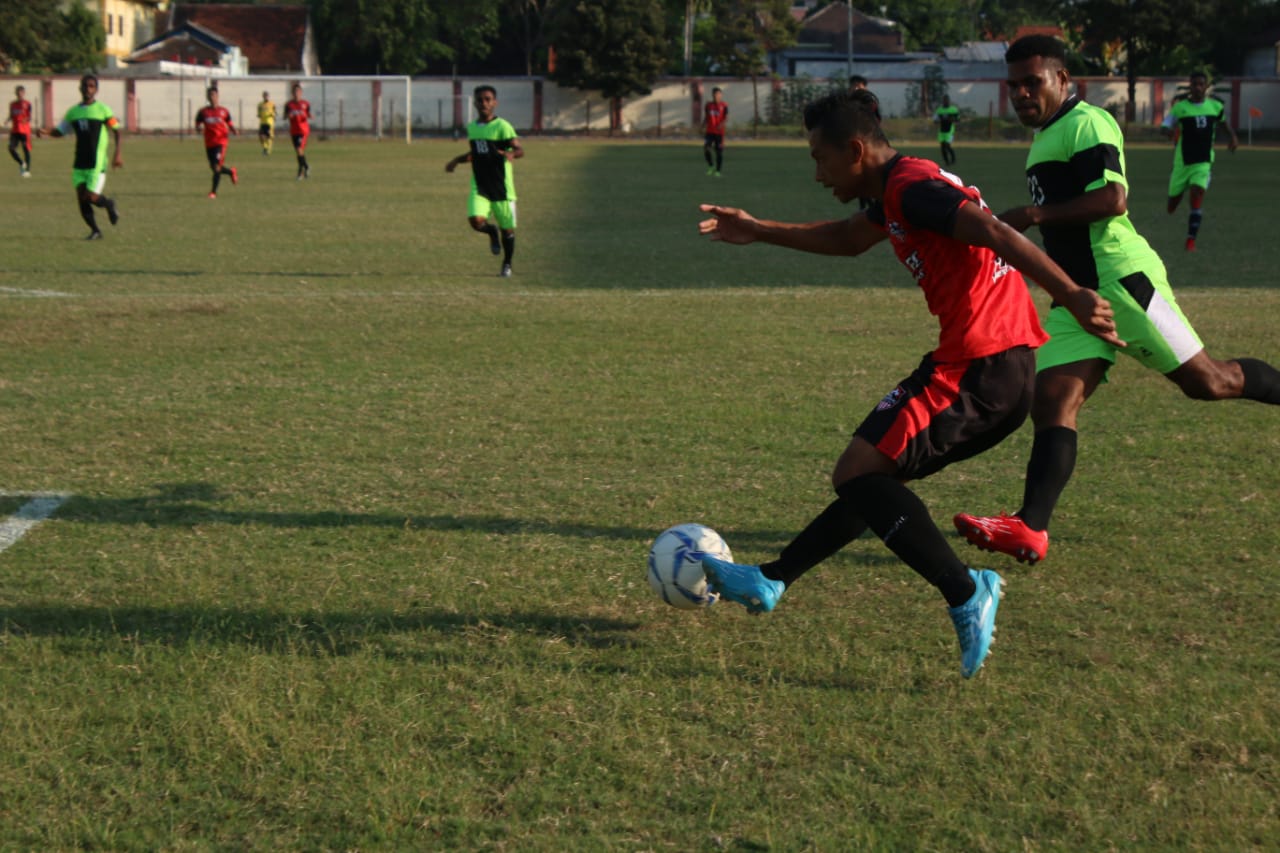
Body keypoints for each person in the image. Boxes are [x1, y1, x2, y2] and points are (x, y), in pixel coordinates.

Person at [695, 91, 1121, 678]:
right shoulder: (895, 190)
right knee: (872, 479)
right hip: (982, 363)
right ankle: (772, 579)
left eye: (820, 158)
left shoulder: (913, 188)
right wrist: (759, 229)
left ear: (855, 149)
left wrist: (1072, 294)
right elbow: (847, 238)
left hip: (982, 367)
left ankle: (966, 591)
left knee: (859, 474)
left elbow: (996, 232)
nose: (817, 173)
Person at [954, 35, 1280, 565]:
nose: (1020, 93)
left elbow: (1113, 198)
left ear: (1063, 80)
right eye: (1013, 85)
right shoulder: (1046, 136)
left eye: (1031, 82)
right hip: (1077, 293)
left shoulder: (1088, 123)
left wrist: (1033, 217)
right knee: (1053, 401)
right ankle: (1029, 528)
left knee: (1209, 382)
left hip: (1120, 280)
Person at [445, 85, 523, 278]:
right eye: (480, 100)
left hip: (502, 188)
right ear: (475, 103)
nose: (484, 103)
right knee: (475, 221)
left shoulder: (502, 126)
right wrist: (456, 160)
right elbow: (476, 153)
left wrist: (509, 154)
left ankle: (507, 264)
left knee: (509, 231)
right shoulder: (472, 128)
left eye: (488, 99)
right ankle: (491, 232)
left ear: (495, 103)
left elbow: (519, 150)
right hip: (480, 186)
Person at [1161, 71, 1238, 251]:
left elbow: (1223, 124)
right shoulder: (1180, 108)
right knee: (1171, 206)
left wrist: (1232, 138)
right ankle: (1176, 199)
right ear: (1190, 87)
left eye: (1200, 84)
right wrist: (1169, 132)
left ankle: (1190, 240)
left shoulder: (1215, 107)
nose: (1197, 87)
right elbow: (1165, 126)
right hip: (1182, 163)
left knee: (1197, 192)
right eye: (1194, 84)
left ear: (1206, 87)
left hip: (1203, 162)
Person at [46, 75, 121, 240]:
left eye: (92, 86)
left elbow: (116, 130)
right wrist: (47, 132)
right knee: (81, 198)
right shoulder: (73, 112)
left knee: (90, 196)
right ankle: (95, 231)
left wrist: (117, 154)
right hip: (79, 160)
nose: (88, 89)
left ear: (96, 89)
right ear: (80, 88)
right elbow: (61, 131)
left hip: (97, 162)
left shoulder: (103, 110)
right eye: (85, 86)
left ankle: (109, 204)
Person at [195, 87, 238, 199]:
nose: (212, 97)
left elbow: (229, 122)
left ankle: (213, 192)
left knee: (217, 167)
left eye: (214, 95)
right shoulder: (203, 112)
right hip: (209, 142)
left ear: (217, 96)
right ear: (207, 97)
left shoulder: (224, 111)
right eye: (210, 95)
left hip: (221, 142)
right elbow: (197, 123)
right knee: (213, 167)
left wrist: (234, 130)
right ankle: (231, 171)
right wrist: (198, 128)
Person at [284, 83, 311, 179]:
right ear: (292, 93)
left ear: (301, 93)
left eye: (298, 92)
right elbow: (285, 116)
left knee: (299, 150)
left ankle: (300, 173)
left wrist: (308, 116)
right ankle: (306, 166)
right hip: (294, 131)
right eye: (295, 92)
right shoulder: (289, 105)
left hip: (303, 131)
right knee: (299, 152)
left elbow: (308, 114)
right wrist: (289, 116)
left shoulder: (305, 104)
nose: (297, 94)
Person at [702, 87, 728, 177]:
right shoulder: (708, 105)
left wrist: (721, 124)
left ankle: (718, 171)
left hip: (719, 133)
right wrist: (702, 126)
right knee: (706, 149)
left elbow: (726, 118)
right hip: (709, 131)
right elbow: (706, 117)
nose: (717, 96)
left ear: (721, 95)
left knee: (718, 152)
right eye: (716, 94)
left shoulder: (724, 105)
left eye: (719, 94)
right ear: (713, 95)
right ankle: (711, 166)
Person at [8, 85, 33, 177]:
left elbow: (29, 116)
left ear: (24, 93)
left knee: (26, 149)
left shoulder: (27, 104)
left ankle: (27, 170)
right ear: (16, 94)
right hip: (15, 130)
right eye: (18, 93)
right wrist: (7, 120)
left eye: (21, 93)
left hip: (24, 130)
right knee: (11, 148)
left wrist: (25, 120)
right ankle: (22, 162)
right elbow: (11, 115)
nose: (20, 95)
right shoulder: (12, 104)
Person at [934, 94, 960, 166]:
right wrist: (938, 120)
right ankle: (947, 162)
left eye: (947, 100)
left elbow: (958, 119)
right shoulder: (939, 110)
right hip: (941, 131)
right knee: (942, 147)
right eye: (944, 100)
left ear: (949, 101)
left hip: (950, 131)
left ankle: (953, 160)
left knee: (947, 146)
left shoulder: (953, 109)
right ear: (942, 101)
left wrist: (952, 119)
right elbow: (935, 120)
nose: (946, 102)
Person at [257, 90, 276, 156]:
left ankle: (268, 149)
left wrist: (271, 115)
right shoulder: (260, 104)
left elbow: (274, 113)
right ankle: (265, 147)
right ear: (263, 96)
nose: (266, 97)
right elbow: (259, 114)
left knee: (269, 136)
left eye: (267, 95)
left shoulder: (272, 104)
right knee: (261, 136)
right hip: (262, 122)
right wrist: (260, 115)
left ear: (268, 96)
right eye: (264, 95)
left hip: (269, 122)